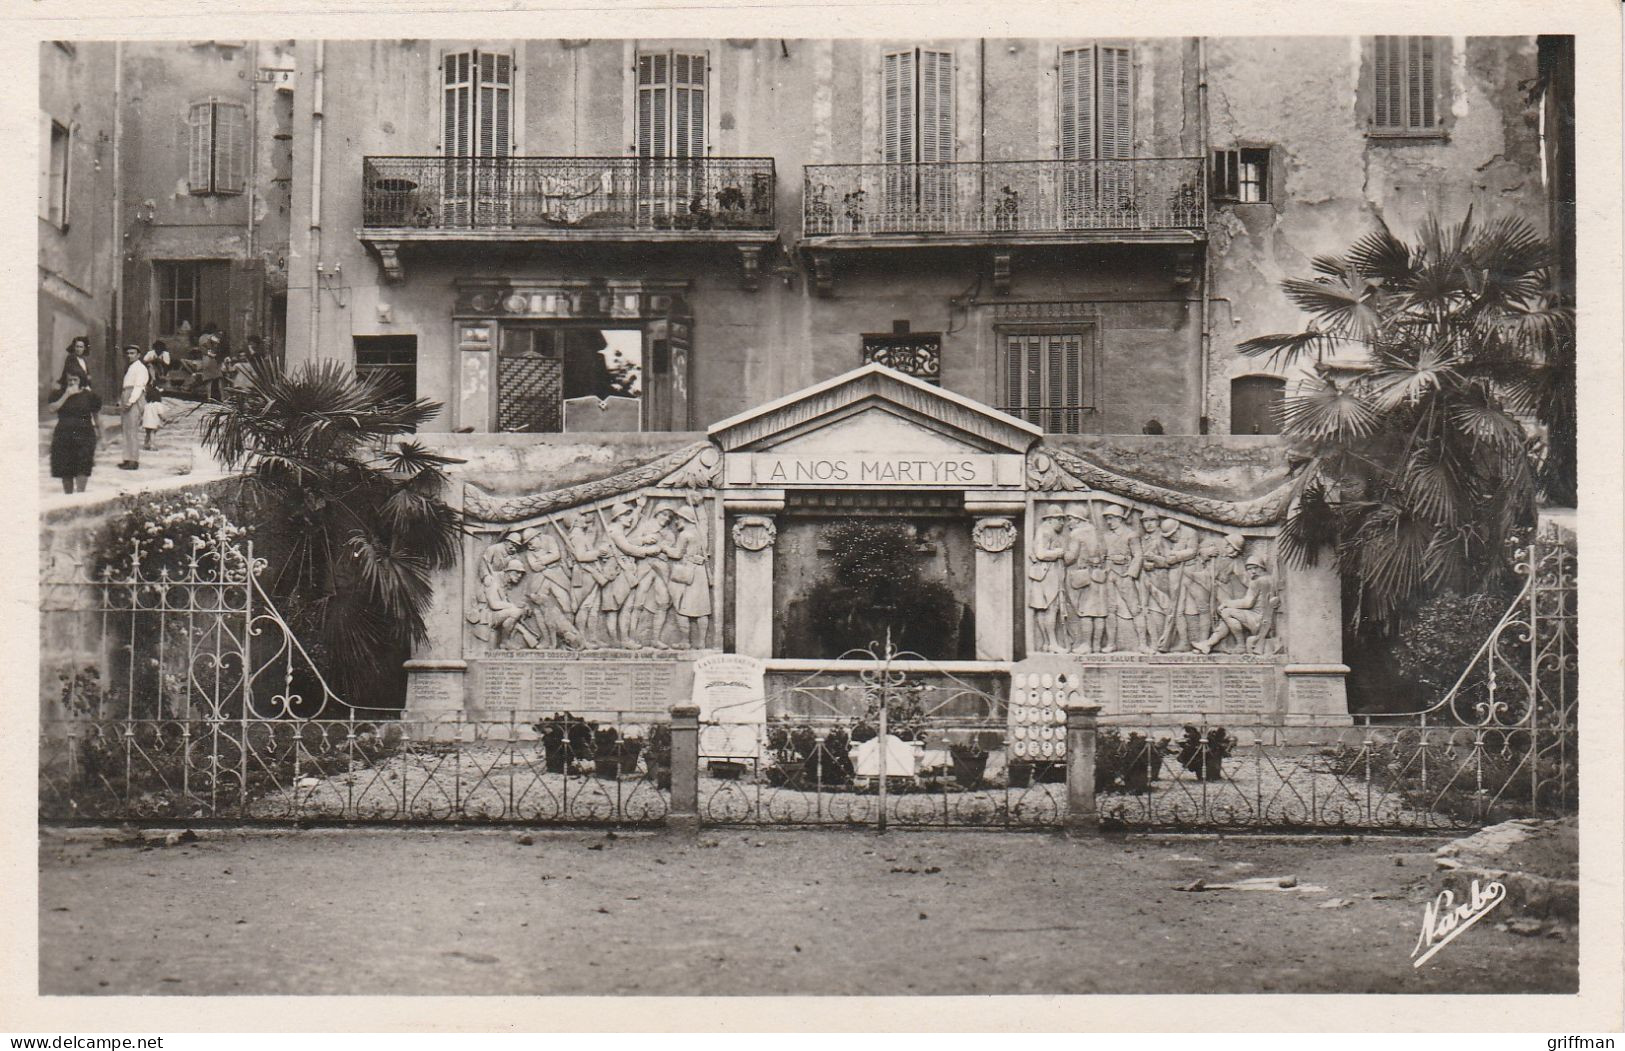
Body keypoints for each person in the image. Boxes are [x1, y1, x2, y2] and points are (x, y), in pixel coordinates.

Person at [47, 374, 101, 494]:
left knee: (83, 466)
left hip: (85, 435)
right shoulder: (58, 394)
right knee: (66, 468)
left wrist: (102, 437)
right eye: (69, 380)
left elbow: (97, 418)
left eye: (75, 380)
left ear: (81, 381)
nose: (72, 383)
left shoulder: (89, 396)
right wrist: (66, 395)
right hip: (64, 435)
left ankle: (80, 496)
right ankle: (69, 497)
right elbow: (51, 409)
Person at [117, 344, 148, 470]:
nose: (129, 355)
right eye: (128, 353)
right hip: (127, 394)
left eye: (132, 353)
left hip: (134, 397)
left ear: (138, 355)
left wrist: (131, 401)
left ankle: (133, 460)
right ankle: (127, 458)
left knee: (132, 430)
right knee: (126, 429)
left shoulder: (140, 368)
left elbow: (139, 386)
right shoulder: (131, 367)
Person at [141, 342, 173, 450]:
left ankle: (146, 444)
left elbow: (167, 364)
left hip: (161, 370)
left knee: (147, 432)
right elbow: (145, 361)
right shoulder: (151, 353)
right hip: (152, 370)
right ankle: (152, 445)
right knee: (153, 432)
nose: (158, 350)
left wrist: (159, 361)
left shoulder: (165, 354)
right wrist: (166, 419)